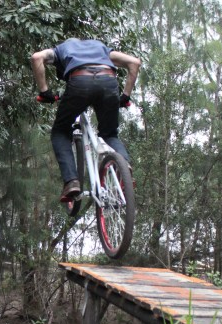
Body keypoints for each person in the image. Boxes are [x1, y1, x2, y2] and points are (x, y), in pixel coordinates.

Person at [30, 38, 141, 202]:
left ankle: (71, 182)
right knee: (109, 134)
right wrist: (125, 96)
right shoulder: (101, 48)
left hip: (79, 82)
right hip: (108, 81)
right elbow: (134, 62)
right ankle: (124, 166)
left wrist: (45, 92)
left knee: (60, 132)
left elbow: (36, 58)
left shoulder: (61, 49)